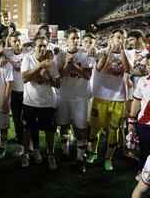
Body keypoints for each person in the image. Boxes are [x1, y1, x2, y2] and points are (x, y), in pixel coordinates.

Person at [87, 29, 132, 171]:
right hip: (101, 97)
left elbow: (126, 69)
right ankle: (93, 152)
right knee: (95, 128)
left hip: (118, 98)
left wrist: (123, 50)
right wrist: (107, 48)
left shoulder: (129, 53)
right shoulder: (102, 52)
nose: (121, 40)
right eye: (118, 37)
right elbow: (99, 67)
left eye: (123, 38)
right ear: (111, 38)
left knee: (114, 131)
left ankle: (108, 158)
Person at [20, 34, 60, 170]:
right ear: (34, 47)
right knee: (28, 130)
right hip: (30, 102)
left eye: (44, 45)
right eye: (39, 45)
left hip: (47, 103)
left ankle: (50, 155)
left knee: (50, 132)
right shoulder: (27, 58)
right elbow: (24, 78)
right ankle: (25, 154)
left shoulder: (52, 63)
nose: (42, 48)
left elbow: (58, 84)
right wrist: (40, 66)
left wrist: (48, 76)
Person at [57, 28, 93, 173]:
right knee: (64, 127)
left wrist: (75, 66)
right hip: (63, 97)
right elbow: (58, 74)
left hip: (80, 98)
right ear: (66, 39)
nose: (76, 41)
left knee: (80, 130)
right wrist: (67, 65)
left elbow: (87, 76)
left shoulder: (85, 53)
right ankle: (65, 154)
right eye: (73, 38)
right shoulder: (60, 53)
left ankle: (79, 159)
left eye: (78, 38)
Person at [2, 31, 31, 156]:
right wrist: (2, 56)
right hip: (14, 91)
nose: (18, 43)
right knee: (16, 118)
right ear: (10, 42)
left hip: (27, 91)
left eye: (19, 40)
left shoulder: (28, 52)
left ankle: (27, 143)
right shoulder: (7, 52)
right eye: (14, 41)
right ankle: (20, 141)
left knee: (27, 119)